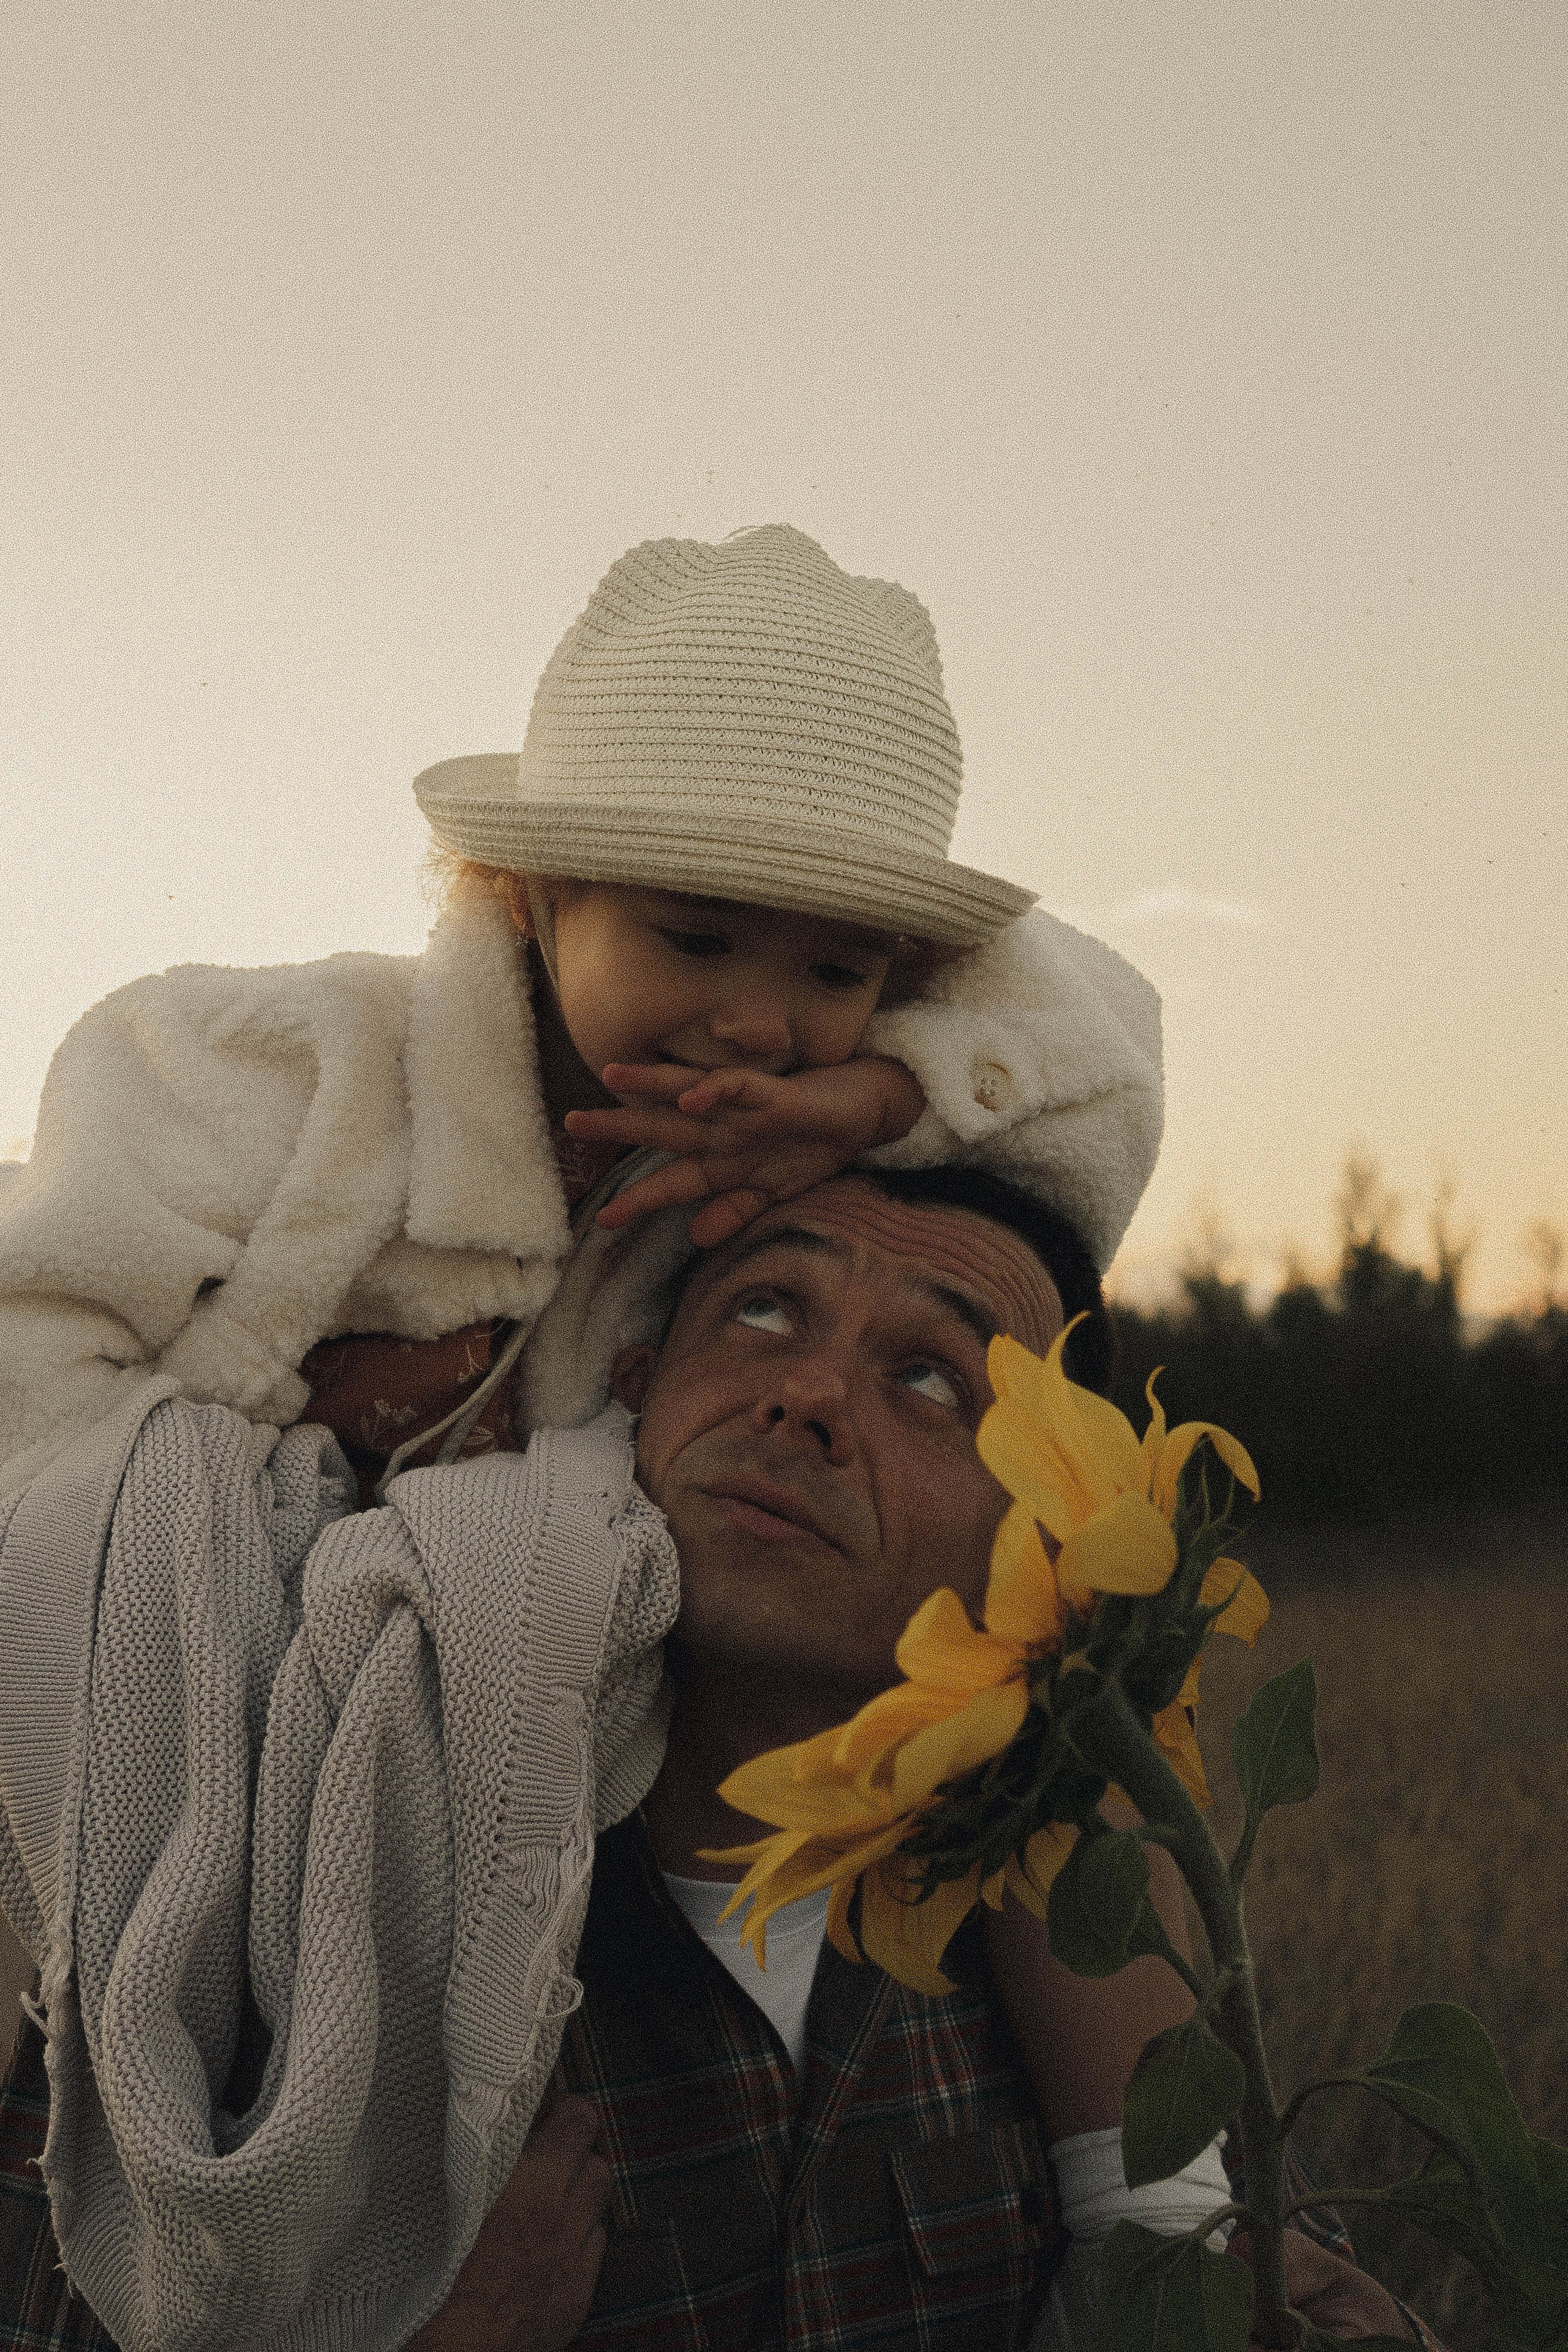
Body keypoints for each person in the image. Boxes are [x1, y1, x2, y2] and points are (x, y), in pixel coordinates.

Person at [0, 1169, 1438, 2350]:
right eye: (761, 1309)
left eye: (929, 1380)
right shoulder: (302, 1876)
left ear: (1049, 1533)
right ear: (630, 1389)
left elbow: (1242, 2284)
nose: (806, 1396)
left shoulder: (1056, 1938)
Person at [0, 523, 1163, 1513]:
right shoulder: (289, 1064)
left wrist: (886, 1094)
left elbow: (1112, 1071)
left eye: (836, 971)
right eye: (695, 940)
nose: (763, 1026)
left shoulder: (788, 1155)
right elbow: (31, 1339)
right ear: (534, 896)